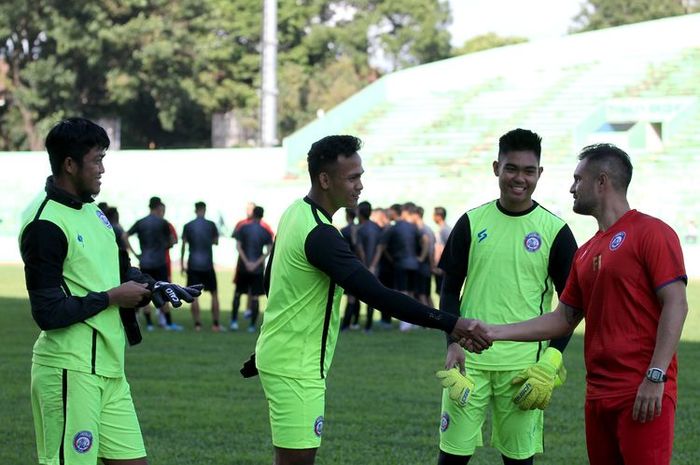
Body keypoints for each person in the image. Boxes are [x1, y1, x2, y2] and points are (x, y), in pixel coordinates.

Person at [246, 135, 491, 465]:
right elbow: (377, 295)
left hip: (282, 356)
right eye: (352, 177)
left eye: (360, 175)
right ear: (324, 179)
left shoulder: (296, 212)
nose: (360, 185)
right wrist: (452, 323)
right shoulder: (321, 234)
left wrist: (267, 346)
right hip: (296, 368)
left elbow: (272, 280)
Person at [486, 143, 688, 465]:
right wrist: (493, 332)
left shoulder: (652, 232)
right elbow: (562, 319)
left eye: (578, 179)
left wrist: (655, 376)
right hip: (597, 393)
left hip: (641, 390)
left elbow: (676, 304)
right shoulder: (585, 251)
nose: (571, 188)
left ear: (602, 181)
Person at [18, 117, 202, 465]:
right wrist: (111, 298)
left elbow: (115, 271)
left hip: (110, 370)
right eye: (96, 160)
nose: (103, 169)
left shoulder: (94, 213)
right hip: (70, 371)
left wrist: (153, 285)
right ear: (69, 165)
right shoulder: (44, 223)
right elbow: (47, 312)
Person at [436, 128, 578, 465]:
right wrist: (452, 343)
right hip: (469, 364)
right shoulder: (471, 222)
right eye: (511, 168)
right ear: (496, 167)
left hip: (523, 369)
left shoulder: (555, 231)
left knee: (518, 460)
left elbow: (573, 304)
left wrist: (551, 359)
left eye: (529, 171)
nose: (520, 179)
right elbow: (449, 287)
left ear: (540, 174)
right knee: (452, 457)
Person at [127, 197, 181, 331]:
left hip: (145, 261)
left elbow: (124, 236)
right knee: (165, 290)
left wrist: (135, 254)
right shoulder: (163, 223)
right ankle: (168, 323)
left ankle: (149, 324)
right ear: (158, 208)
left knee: (146, 292)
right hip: (159, 262)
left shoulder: (141, 222)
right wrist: (164, 245)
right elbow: (173, 241)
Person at [230, 202, 275, 326]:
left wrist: (246, 262)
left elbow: (238, 247)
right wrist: (257, 263)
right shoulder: (265, 231)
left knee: (238, 293)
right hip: (257, 269)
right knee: (255, 297)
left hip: (243, 267)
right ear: (262, 216)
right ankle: (252, 326)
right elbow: (270, 250)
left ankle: (234, 322)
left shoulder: (243, 227)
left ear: (253, 214)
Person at [181, 201, 221, 331]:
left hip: (193, 264)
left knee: (193, 295)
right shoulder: (211, 225)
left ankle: (197, 324)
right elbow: (216, 242)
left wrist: (182, 263)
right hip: (207, 264)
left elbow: (184, 245)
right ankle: (215, 324)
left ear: (195, 210)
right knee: (214, 294)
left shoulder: (188, 225)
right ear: (205, 209)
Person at [356, 201, 384, 332]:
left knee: (361, 295)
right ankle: (369, 325)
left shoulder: (360, 230)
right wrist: (374, 265)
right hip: (376, 267)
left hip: (364, 267)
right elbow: (379, 249)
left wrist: (367, 265)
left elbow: (360, 250)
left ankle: (360, 323)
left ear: (359, 213)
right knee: (374, 296)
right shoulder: (378, 228)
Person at [432, 206, 452, 294]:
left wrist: (438, 265)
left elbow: (441, 248)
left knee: (442, 291)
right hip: (445, 266)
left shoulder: (443, 230)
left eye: (434, 215)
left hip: (443, 267)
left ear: (439, 216)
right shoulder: (446, 229)